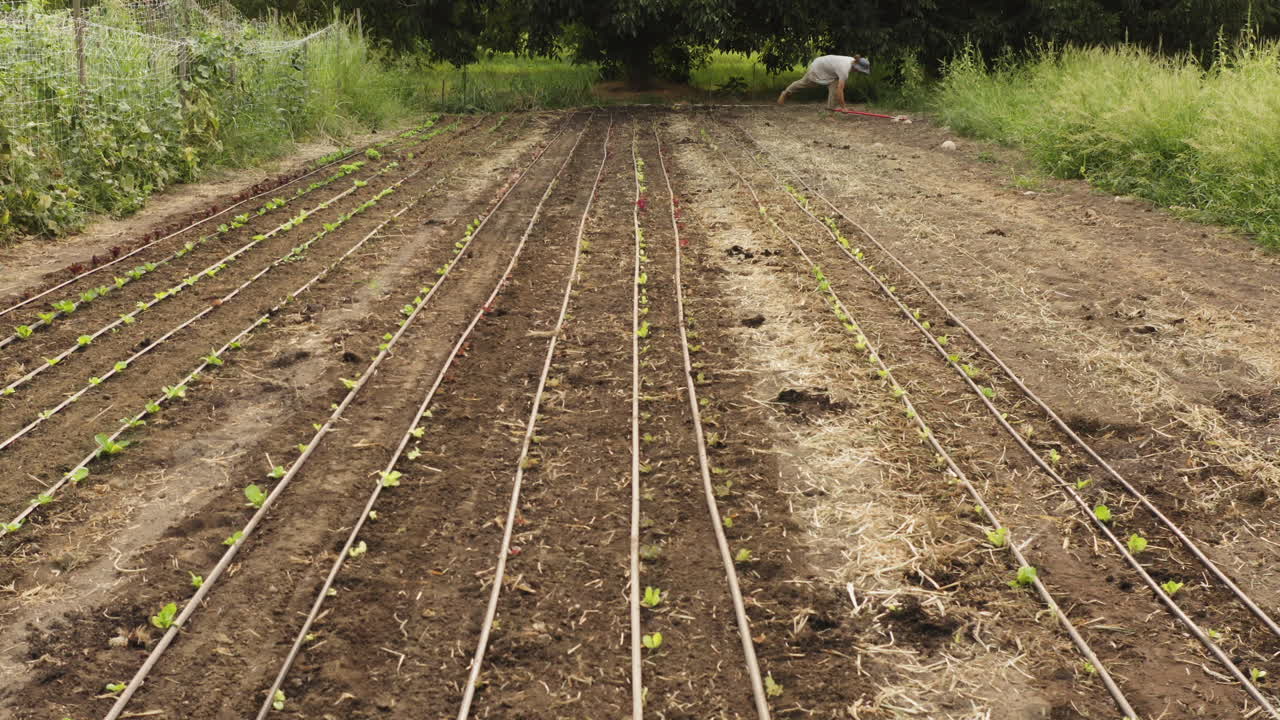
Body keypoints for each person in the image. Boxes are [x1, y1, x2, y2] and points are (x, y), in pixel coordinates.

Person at [777, 55, 871, 109]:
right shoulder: (844, 69)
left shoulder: (852, 61)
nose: (859, 72)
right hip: (818, 68)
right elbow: (840, 90)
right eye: (860, 70)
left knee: (833, 86)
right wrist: (843, 107)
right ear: (856, 66)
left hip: (828, 71)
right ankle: (785, 93)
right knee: (804, 83)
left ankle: (830, 112)